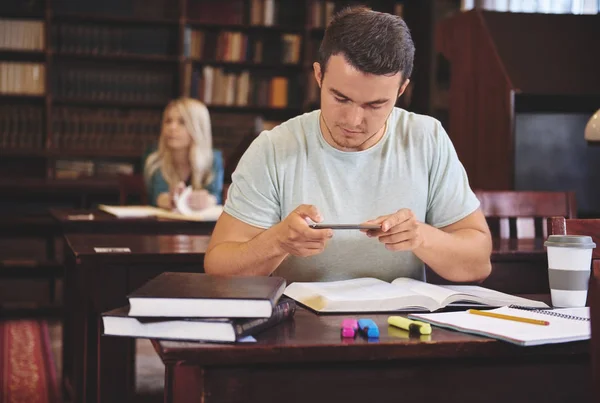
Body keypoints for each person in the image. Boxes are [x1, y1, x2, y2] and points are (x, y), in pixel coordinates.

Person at [204, 6, 492, 283]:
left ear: (401, 90)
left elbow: (479, 263)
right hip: (302, 328)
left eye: (376, 104)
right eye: (340, 98)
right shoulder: (272, 148)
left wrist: (421, 237)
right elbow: (218, 270)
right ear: (319, 75)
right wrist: (277, 241)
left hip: (402, 327)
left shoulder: (427, 138)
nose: (354, 120)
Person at [144, 98, 224, 211]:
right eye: (168, 121)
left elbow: (215, 196)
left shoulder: (213, 159)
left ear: (198, 128)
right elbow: (158, 196)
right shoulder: (154, 160)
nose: (172, 127)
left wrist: (206, 200)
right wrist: (171, 199)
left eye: (182, 122)